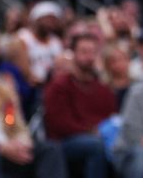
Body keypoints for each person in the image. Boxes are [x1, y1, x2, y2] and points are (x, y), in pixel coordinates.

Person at [0, 40, 66, 178]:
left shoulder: (4, 91)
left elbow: (13, 122)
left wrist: (21, 141)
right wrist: (1, 147)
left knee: (50, 150)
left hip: (10, 145)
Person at [43, 33, 116, 178]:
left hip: (100, 137)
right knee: (96, 146)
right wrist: (91, 131)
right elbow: (59, 124)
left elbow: (111, 117)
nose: (89, 57)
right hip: (65, 142)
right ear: (74, 54)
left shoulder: (103, 88)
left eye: (92, 52)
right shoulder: (59, 86)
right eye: (84, 52)